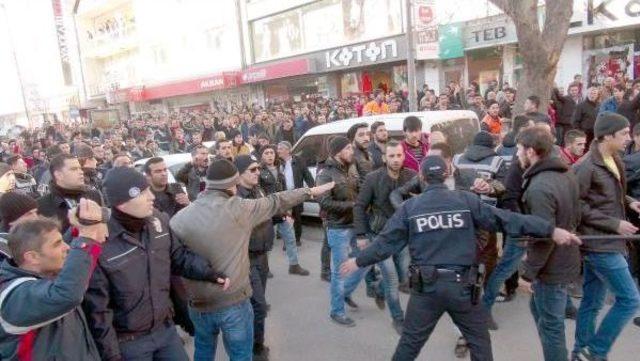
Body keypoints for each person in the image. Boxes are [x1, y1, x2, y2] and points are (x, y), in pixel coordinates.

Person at [340, 155, 581, 361]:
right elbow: (507, 220)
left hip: (427, 290)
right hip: (463, 289)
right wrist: (550, 230)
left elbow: (385, 243)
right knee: (480, 345)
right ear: (447, 175)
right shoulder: (466, 201)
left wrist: (358, 261)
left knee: (409, 345)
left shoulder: (410, 208)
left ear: (422, 178)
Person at [170, 159, 333, 361]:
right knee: (240, 355)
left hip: (198, 305)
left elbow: (176, 259)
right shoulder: (240, 209)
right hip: (233, 301)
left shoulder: (178, 219)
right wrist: (309, 192)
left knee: (203, 351)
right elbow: (278, 200)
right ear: (232, 184)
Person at [83, 167, 229, 361]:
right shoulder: (101, 240)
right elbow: (98, 310)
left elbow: (179, 256)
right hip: (129, 343)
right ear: (121, 202)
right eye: (143, 193)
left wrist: (209, 273)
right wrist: (111, 355)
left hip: (165, 331)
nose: (151, 196)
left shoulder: (158, 221)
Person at [0, 201, 107, 361]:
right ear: (33, 257)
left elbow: (75, 269)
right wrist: (87, 236)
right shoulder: (13, 297)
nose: (68, 247)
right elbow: (67, 294)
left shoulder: (47, 271)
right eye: (58, 244)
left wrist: (78, 227)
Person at [572, 112, 640, 361]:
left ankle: (580, 353)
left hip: (609, 240)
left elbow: (612, 196)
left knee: (591, 302)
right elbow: (576, 206)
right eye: (623, 134)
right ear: (607, 135)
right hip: (599, 243)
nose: (628, 138)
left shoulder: (614, 158)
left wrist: (631, 202)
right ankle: (595, 352)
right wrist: (614, 224)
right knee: (630, 300)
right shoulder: (585, 166)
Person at [516, 126, 582, 361]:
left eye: (519, 150)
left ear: (531, 151)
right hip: (564, 261)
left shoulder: (540, 187)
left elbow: (544, 237)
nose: (517, 154)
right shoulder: (566, 173)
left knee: (551, 327)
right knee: (541, 313)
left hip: (551, 268)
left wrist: (527, 274)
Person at [353, 140, 415, 335]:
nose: (396, 160)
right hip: (379, 235)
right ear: (384, 157)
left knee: (403, 275)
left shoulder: (411, 177)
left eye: (399, 155)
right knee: (391, 277)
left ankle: (376, 289)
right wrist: (361, 234)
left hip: (402, 237)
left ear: (403, 156)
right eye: (391, 156)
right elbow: (360, 206)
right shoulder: (373, 178)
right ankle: (398, 318)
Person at [316, 136, 366, 327]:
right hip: (338, 228)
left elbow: (360, 188)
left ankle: (345, 293)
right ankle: (337, 311)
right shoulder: (325, 174)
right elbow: (323, 202)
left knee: (365, 260)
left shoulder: (351, 168)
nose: (352, 151)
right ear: (338, 152)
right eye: (348, 149)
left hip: (356, 225)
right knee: (340, 271)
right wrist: (352, 205)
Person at [234, 155, 277, 360]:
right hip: (246, 259)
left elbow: (267, 211)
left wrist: (280, 216)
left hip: (263, 256)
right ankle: (254, 348)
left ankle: (255, 343)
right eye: (252, 170)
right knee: (258, 306)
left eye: (258, 168)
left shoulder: (259, 189)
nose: (258, 172)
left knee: (256, 306)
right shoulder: (234, 198)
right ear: (240, 174)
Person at [258, 146, 309, 276]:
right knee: (268, 243)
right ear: (262, 156)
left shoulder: (280, 170)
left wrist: (289, 210)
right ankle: (265, 269)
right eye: (266, 153)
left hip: (282, 210)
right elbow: (258, 191)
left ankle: (294, 265)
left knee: (290, 238)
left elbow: (285, 192)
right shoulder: (258, 171)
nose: (270, 155)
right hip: (268, 211)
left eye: (271, 153)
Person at [37, 154, 103, 234]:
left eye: (80, 168)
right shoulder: (42, 206)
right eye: (74, 169)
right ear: (58, 175)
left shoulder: (94, 195)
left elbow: (103, 231)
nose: (81, 172)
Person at [277, 141, 315, 246]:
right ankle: (287, 241)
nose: (278, 151)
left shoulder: (299, 161)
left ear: (288, 150)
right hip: (284, 196)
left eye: (280, 148)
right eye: (278, 148)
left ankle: (297, 239)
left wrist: (313, 189)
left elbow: (307, 176)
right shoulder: (278, 163)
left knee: (297, 217)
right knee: (285, 218)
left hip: (297, 194)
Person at [0, 192, 39, 261]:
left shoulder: (26, 236)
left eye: (35, 212)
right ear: (12, 219)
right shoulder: (4, 247)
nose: (35, 217)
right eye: (29, 214)